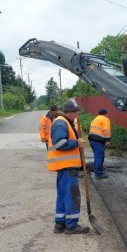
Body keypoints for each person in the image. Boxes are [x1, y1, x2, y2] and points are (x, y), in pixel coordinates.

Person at [48, 98, 89, 234]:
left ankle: (60, 224)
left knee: (63, 195)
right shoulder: (61, 123)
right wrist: (76, 143)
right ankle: (71, 225)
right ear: (70, 112)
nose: (77, 115)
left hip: (64, 166)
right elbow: (59, 143)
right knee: (72, 195)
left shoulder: (65, 121)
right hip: (67, 166)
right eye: (76, 112)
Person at [88, 108, 111, 179]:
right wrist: (108, 140)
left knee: (98, 156)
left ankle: (97, 170)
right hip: (97, 141)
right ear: (106, 114)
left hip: (92, 140)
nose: (108, 115)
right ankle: (98, 174)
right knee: (99, 156)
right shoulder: (105, 119)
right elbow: (106, 131)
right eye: (108, 114)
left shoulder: (95, 119)